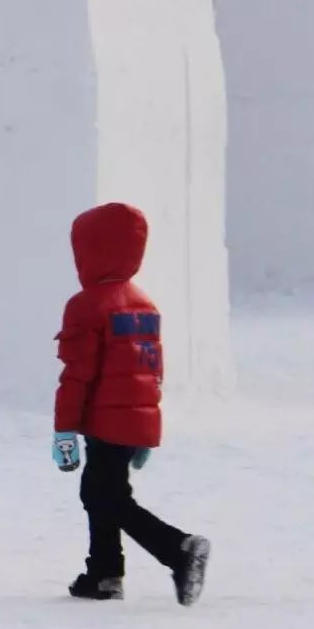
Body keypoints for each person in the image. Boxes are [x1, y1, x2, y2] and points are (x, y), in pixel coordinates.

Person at [52, 203, 211, 605]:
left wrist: (64, 429)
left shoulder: (86, 305)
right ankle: (104, 573)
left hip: (104, 420)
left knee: (107, 497)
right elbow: (150, 369)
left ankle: (179, 549)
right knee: (101, 491)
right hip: (130, 419)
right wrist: (143, 432)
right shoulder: (144, 303)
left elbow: (77, 375)